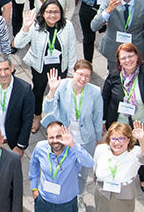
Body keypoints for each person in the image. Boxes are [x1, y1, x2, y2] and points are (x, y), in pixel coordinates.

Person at [101, 44, 144, 194]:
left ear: (137, 57)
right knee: (120, 153)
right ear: (119, 61)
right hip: (120, 125)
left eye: (131, 56)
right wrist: (104, 121)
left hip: (142, 124)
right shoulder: (114, 76)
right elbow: (105, 98)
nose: (128, 60)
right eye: (123, 58)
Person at [42, 60, 102, 208]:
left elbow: (98, 117)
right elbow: (47, 108)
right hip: (64, 137)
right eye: (80, 74)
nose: (83, 79)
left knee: (82, 172)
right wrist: (52, 91)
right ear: (73, 72)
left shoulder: (94, 91)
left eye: (87, 76)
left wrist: (99, 139)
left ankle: (78, 196)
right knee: (62, 169)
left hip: (85, 139)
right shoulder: (62, 86)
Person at [14, 0, 77, 133]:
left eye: (56, 12)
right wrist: (25, 28)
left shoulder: (68, 26)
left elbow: (72, 49)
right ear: (42, 13)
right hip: (40, 67)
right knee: (38, 91)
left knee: (59, 92)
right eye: (49, 12)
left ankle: (57, 118)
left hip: (61, 66)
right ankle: (37, 116)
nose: (52, 15)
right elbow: (18, 44)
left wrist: (71, 71)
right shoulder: (35, 26)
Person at [30, 121, 95, 212]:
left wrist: (73, 145)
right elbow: (33, 165)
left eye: (58, 136)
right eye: (51, 137)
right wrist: (34, 188)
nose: (55, 140)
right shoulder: (40, 147)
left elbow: (90, 163)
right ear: (47, 137)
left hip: (66, 205)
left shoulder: (73, 150)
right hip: (44, 201)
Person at [92, 122, 144, 212]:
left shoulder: (135, 152)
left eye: (121, 138)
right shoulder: (100, 149)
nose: (117, 142)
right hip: (102, 192)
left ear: (128, 140)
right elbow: (95, 169)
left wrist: (141, 139)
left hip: (124, 195)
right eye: (114, 138)